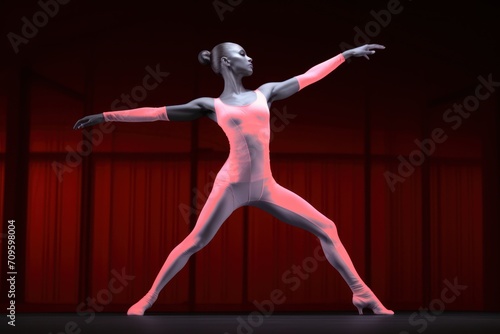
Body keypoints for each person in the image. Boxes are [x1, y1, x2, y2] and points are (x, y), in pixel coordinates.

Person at [73, 42, 393, 316]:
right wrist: (106, 116)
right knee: (195, 241)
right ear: (227, 61)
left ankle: (361, 292)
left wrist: (345, 55)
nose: (250, 57)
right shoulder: (210, 106)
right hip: (231, 186)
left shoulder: (265, 93)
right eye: (243, 53)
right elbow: (157, 112)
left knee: (327, 227)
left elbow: (308, 77)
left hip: (266, 187)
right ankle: (147, 299)